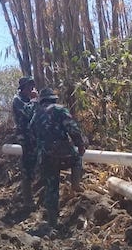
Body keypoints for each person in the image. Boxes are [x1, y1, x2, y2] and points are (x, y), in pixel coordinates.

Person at [29, 88, 86, 229]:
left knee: (51, 187)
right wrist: (80, 144)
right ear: (53, 99)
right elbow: (72, 128)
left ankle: (52, 221)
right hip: (63, 153)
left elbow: (31, 133)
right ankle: (75, 184)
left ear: (42, 100)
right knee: (77, 158)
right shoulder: (60, 110)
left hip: (45, 157)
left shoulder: (36, 114)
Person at [12, 76, 39, 207]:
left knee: (36, 166)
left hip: (35, 137)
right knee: (27, 167)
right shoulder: (18, 100)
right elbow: (28, 113)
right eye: (29, 86)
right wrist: (34, 100)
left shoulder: (30, 100)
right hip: (25, 137)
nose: (32, 89)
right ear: (23, 88)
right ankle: (28, 201)